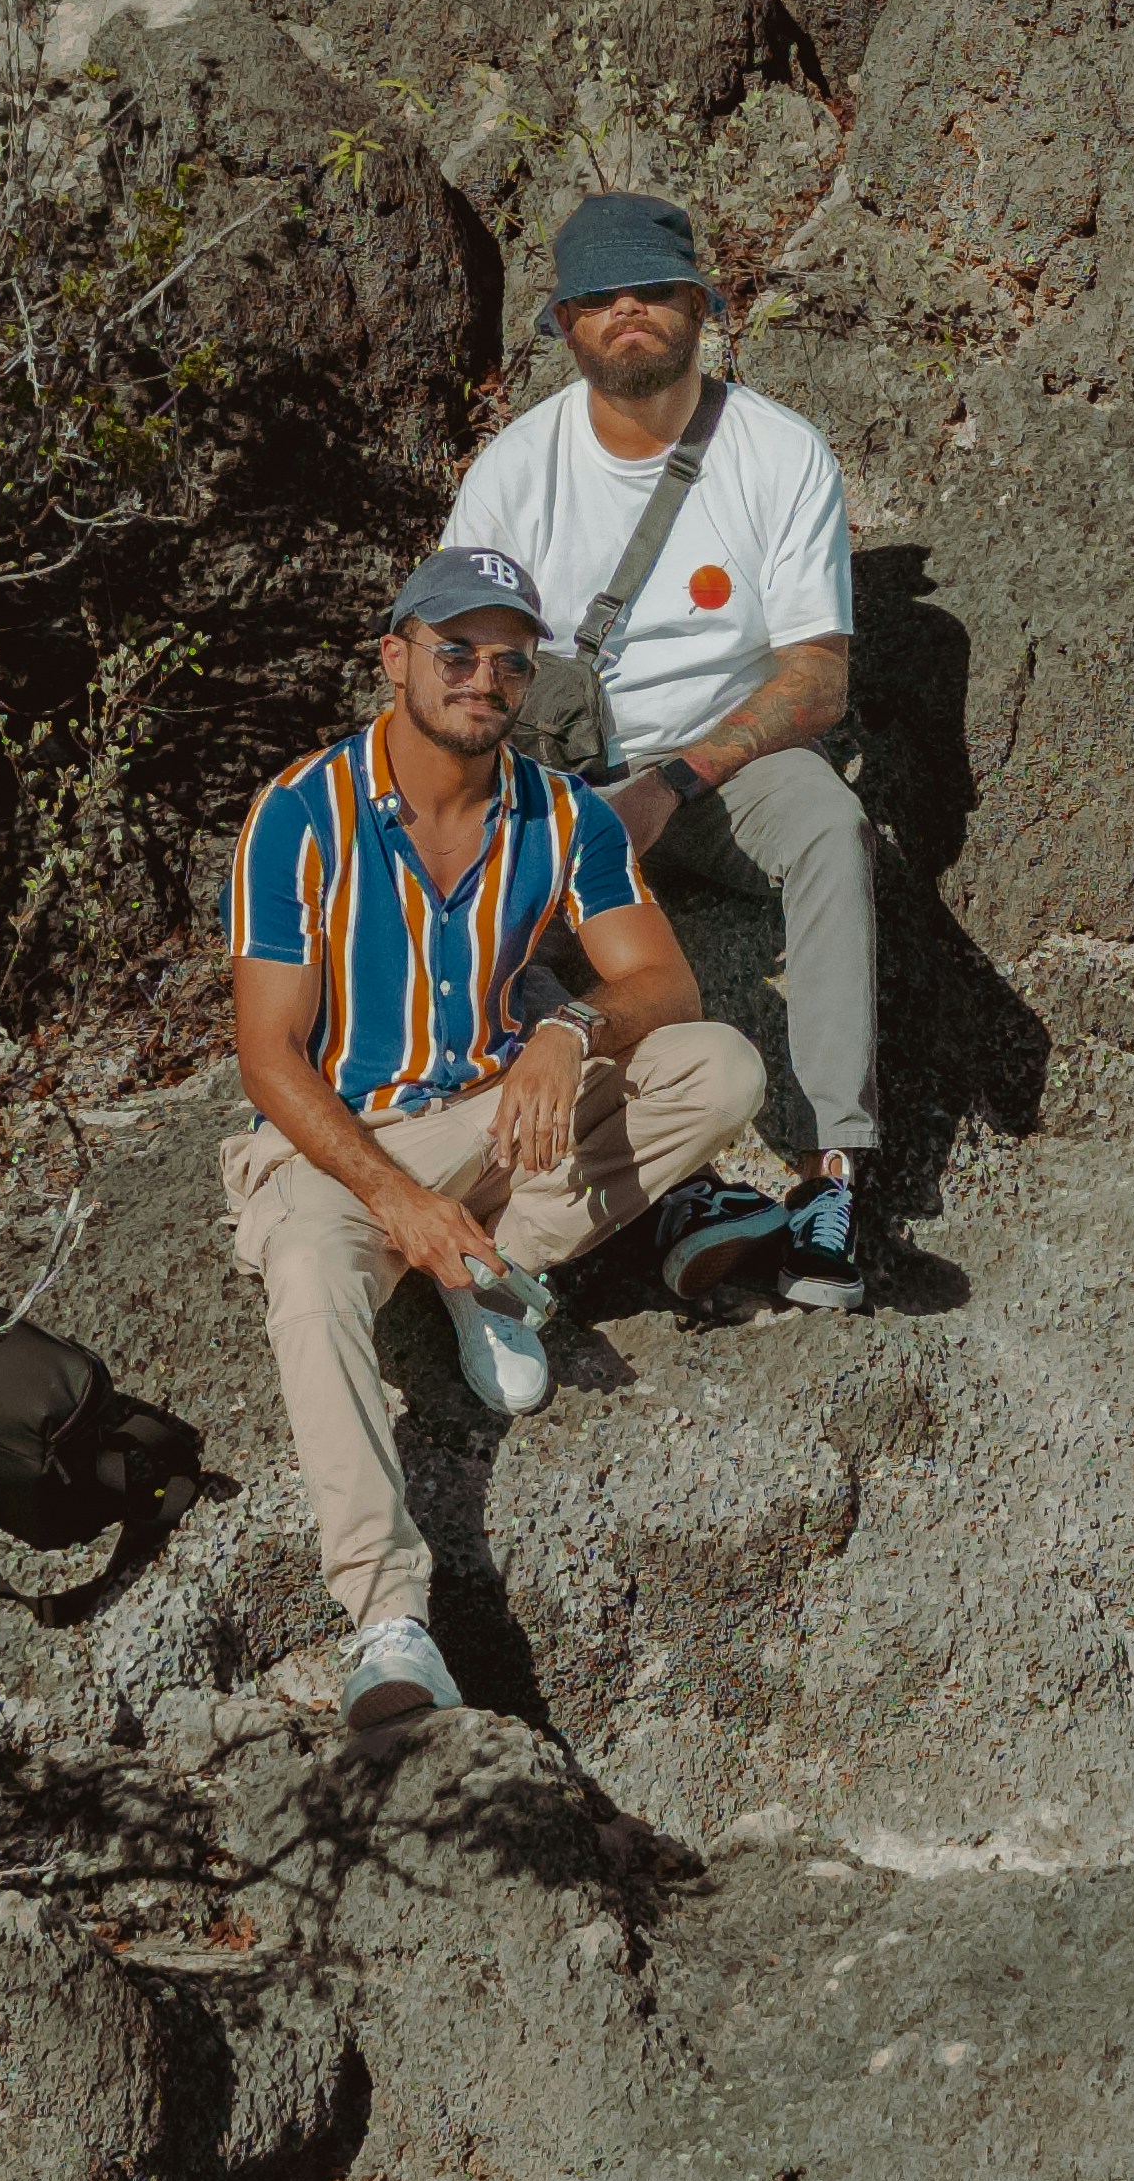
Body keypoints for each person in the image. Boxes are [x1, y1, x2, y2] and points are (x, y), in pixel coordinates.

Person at [223, 542, 788, 1744]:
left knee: (721, 1068)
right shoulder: (299, 814)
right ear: (394, 659)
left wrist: (568, 1031)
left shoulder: (564, 814)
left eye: (509, 659)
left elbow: (661, 980)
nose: (484, 675)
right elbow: (268, 1055)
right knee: (314, 1275)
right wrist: (397, 1200)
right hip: (349, 1140)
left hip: (498, 1117)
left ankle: (482, 1266)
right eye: (455, 650)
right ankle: (386, 1619)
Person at [442, 189, 884, 1312]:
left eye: (651, 290)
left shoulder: (776, 454)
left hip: (723, 766)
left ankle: (833, 1168)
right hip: (564, 775)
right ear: (563, 325)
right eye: (597, 297)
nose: (625, 312)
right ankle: (645, 1184)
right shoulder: (514, 472)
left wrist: (675, 782)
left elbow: (816, 674)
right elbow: (462, 668)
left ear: (699, 306)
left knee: (831, 829)